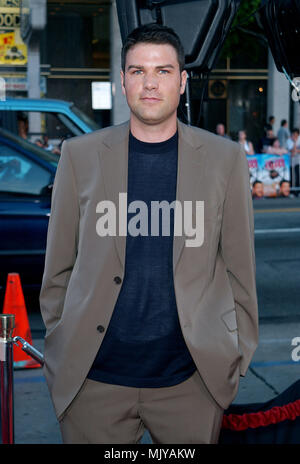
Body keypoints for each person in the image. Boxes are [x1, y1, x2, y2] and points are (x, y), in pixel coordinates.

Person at [40, 23, 258, 445]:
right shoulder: (80, 156)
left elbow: (239, 271)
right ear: (122, 81)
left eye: (162, 70)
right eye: (138, 71)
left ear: (182, 80)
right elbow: (58, 268)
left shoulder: (224, 160)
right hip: (93, 384)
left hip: (190, 384)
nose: (150, 83)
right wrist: (61, 342)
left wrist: (235, 358)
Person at [286, 128, 300, 196]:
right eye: (293, 134)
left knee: (298, 175)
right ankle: (292, 192)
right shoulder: (289, 140)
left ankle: (298, 191)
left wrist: (296, 151)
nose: (294, 136)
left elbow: (295, 151)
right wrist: (294, 142)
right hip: (291, 160)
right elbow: (291, 150)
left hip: (298, 159)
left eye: (296, 134)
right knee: (292, 176)